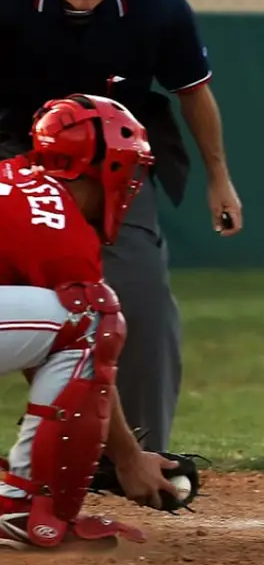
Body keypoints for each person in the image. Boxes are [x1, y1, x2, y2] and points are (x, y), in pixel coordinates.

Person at [0, 0, 244, 452]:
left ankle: (138, 449)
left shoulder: (156, 3)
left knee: (140, 292)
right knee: (24, 285)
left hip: (116, 154)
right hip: (16, 143)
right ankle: (54, 431)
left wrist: (219, 178)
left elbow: (193, 94)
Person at [0, 94, 187, 550]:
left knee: (73, 325)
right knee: (92, 315)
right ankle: (27, 511)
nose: (132, 184)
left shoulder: (15, 177)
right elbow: (87, 342)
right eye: (129, 169)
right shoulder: (59, 226)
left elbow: (47, 350)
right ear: (104, 168)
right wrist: (126, 457)